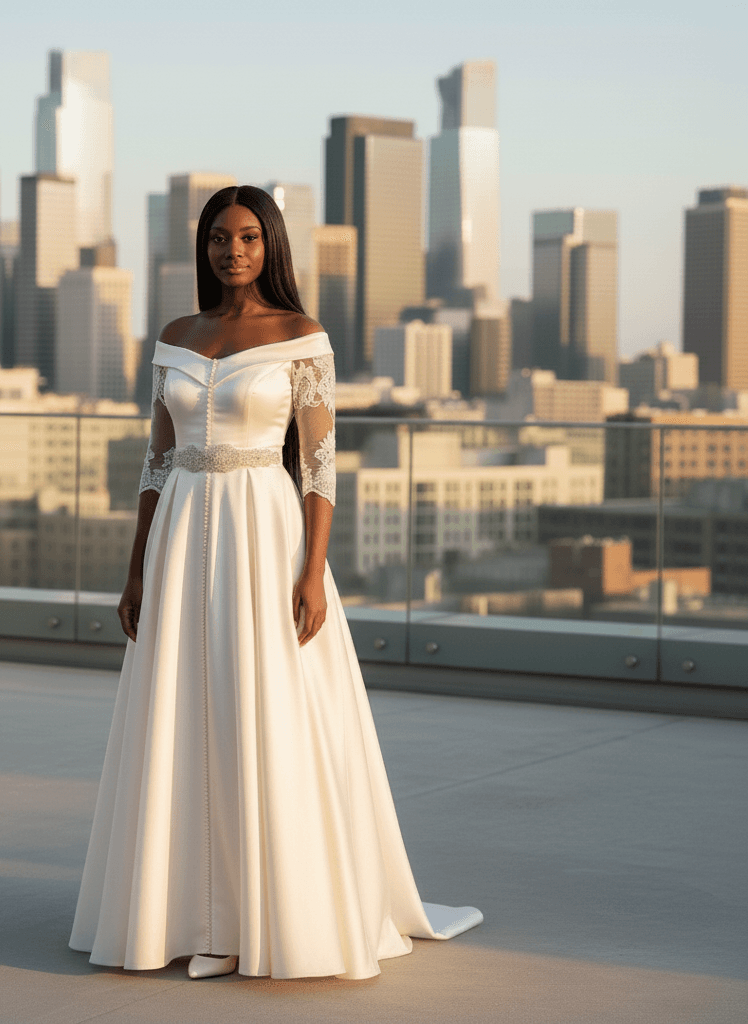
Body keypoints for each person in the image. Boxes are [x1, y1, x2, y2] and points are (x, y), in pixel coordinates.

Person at [69, 185, 481, 980]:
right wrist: (135, 565)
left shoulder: (301, 335)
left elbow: (320, 466)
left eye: (250, 237)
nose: (234, 251)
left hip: (264, 530)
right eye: (220, 238)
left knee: (261, 705)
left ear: (272, 245)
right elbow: (156, 461)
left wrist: (313, 572)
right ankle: (185, 914)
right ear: (204, 247)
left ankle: (261, 916)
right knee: (182, 711)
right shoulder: (175, 336)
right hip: (180, 533)